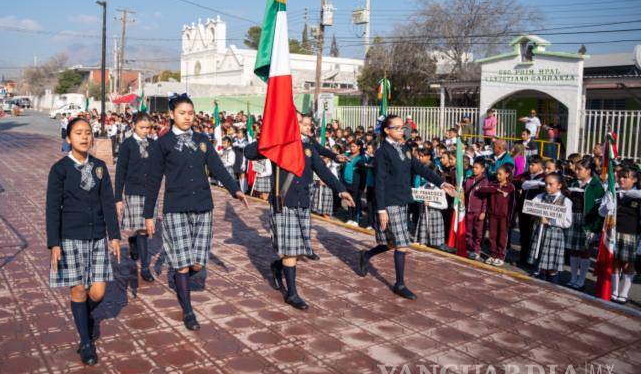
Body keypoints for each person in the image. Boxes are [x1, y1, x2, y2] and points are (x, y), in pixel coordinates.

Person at [143, 94, 247, 331]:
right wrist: (149, 214)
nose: (187, 117)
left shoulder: (202, 139)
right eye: (182, 113)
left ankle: (180, 281)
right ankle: (188, 310)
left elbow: (217, 167)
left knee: (197, 263)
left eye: (190, 113)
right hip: (175, 208)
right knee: (181, 264)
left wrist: (235, 190)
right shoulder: (163, 143)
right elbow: (153, 181)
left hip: (202, 206)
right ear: (171, 115)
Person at [244, 113, 354, 310]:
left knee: (297, 248)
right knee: (292, 250)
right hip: (284, 202)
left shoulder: (309, 147)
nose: (307, 127)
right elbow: (249, 153)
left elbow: (323, 171)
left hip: (303, 202)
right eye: (303, 124)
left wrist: (341, 190)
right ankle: (292, 293)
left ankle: (278, 267)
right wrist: (271, 136)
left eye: (309, 124)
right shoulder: (280, 144)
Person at [45, 117, 122, 366]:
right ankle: (86, 342)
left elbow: (108, 204)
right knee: (78, 289)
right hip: (70, 237)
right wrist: (54, 243)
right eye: (78, 133)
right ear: (68, 138)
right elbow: (52, 209)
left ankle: (82, 317)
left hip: (97, 236)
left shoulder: (99, 166)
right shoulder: (59, 170)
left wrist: (115, 236)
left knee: (98, 292)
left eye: (88, 133)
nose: (84, 137)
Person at [358, 115, 456, 300]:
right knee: (402, 244)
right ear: (387, 130)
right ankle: (399, 284)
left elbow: (420, 168)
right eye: (397, 128)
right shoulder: (382, 152)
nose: (402, 130)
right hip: (389, 202)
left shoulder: (404, 147)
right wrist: (381, 209)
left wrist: (441, 184)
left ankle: (366, 255)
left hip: (403, 199)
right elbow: (379, 182)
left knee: (393, 242)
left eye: (403, 127)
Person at [115, 112, 155, 283]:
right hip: (133, 191)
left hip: (151, 193)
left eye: (148, 128)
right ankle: (145, 267)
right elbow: (120, 172)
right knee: (143, 231)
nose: (145, 131)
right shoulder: (127, 145)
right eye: (142, 127)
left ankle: (134, 241)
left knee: (147, 231)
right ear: (134, 126)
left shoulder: (154, 144)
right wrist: (118, 198)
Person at [599, 166, 641, 304]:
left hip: (631, 234)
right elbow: (601, 212)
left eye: (626, 177)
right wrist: (607, 207)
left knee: (628, 264)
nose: (621, 179)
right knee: (615, 261)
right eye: (620, 176)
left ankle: (624, 293)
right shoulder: (613, 192)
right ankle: (615, 291)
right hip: (613, 232)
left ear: (634, 180)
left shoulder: (638, 195)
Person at [564, 157, 604, 290]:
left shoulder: (596, 186)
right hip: (573, 219)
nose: (576, 171)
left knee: (585, 251)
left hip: (587, 222)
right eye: (576, 168)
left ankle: (581, 280)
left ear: (588, 171)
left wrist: (594, 229)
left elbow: (599, 211)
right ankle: (573, 277)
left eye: (579, 169)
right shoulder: (574, 183)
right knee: (574, 250)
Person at [527, 173, 572, 283]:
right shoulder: (540, 197)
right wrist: (539, 215)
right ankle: (541, 285)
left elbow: (567, 222)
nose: (547, 187)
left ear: (559, 185)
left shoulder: (565, 201)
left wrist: (550, 221)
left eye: (551, 184)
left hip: (554, 235)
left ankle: (552, 285)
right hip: (541, 233)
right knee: (541, 264)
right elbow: (531, 207)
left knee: (552, 267)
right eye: (546, 184)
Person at [476, 165, 515, 266]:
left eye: (500, 174)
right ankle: (493, 255)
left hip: (504, 216)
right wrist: (495, 189)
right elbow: (481, 189)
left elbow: (513, 204)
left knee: (502, 236)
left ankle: (500, 256)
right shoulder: (493, 184)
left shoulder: (510, 187)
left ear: (507, 175)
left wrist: (510, 218)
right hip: (492, 214)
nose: (498, 176)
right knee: (492, 235)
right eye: (497, 174)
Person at [412, 148, 446, 248]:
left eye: (422, 156)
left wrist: (430, 203)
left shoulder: (438, 187)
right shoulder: (419, 169)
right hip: (421, 201)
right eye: (419, 155)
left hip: (434, 211)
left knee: (434, 227)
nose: (419, 158)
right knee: (421, 220)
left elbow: (444, 205)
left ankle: (435, 243)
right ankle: (423, 239)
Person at [517, 155, 547, 265]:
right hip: (523, 209)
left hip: (535, 211)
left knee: (533, 235)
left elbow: (544, 187)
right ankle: (523, 258)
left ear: (540, 166)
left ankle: (531, 261)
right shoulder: (526, 176)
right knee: (523, 235)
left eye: (533, 165)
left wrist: (536, 184)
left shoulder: (544, 178)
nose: (530, 167)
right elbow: (517, 181)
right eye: (529, 164)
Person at [464, 158, 489, 260]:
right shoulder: (469, 179)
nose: (474, 169)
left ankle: (477, 250)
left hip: (478, 211)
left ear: (482, 169)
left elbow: (485, 198)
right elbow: (464, 194)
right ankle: (469, 248)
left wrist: (483, 211)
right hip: (468, 210)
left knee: (478, 232)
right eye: (473, 167)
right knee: (468, 231)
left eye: (477, 168)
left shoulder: (484, 181)